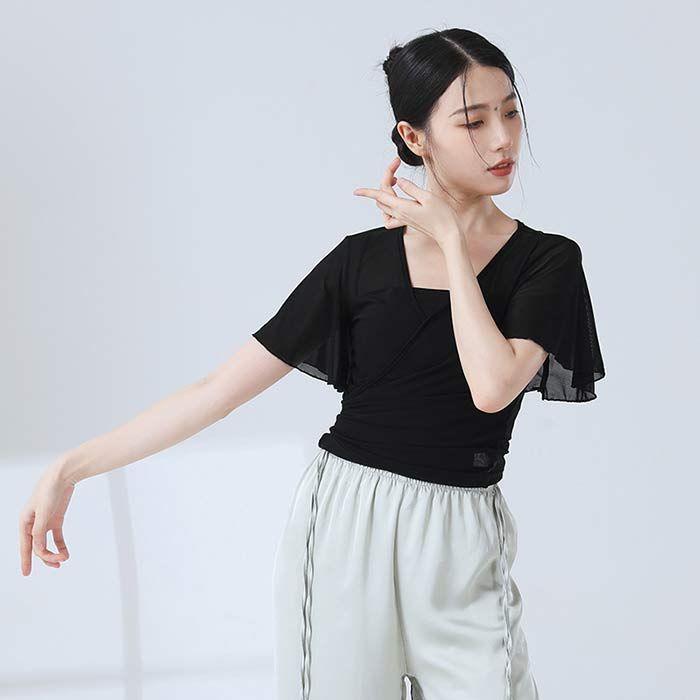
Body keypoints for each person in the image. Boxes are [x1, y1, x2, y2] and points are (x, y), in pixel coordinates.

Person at [19, 27, 605, 700]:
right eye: (474, 122)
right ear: (414, 139)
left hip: (464, 534)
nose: (503, 140)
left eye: (511, 112)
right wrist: (70, 467)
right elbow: (217, 390)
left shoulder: (547, 261)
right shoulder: (360, 262)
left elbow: (494, 387)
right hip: (344, 523)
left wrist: (448, 240)